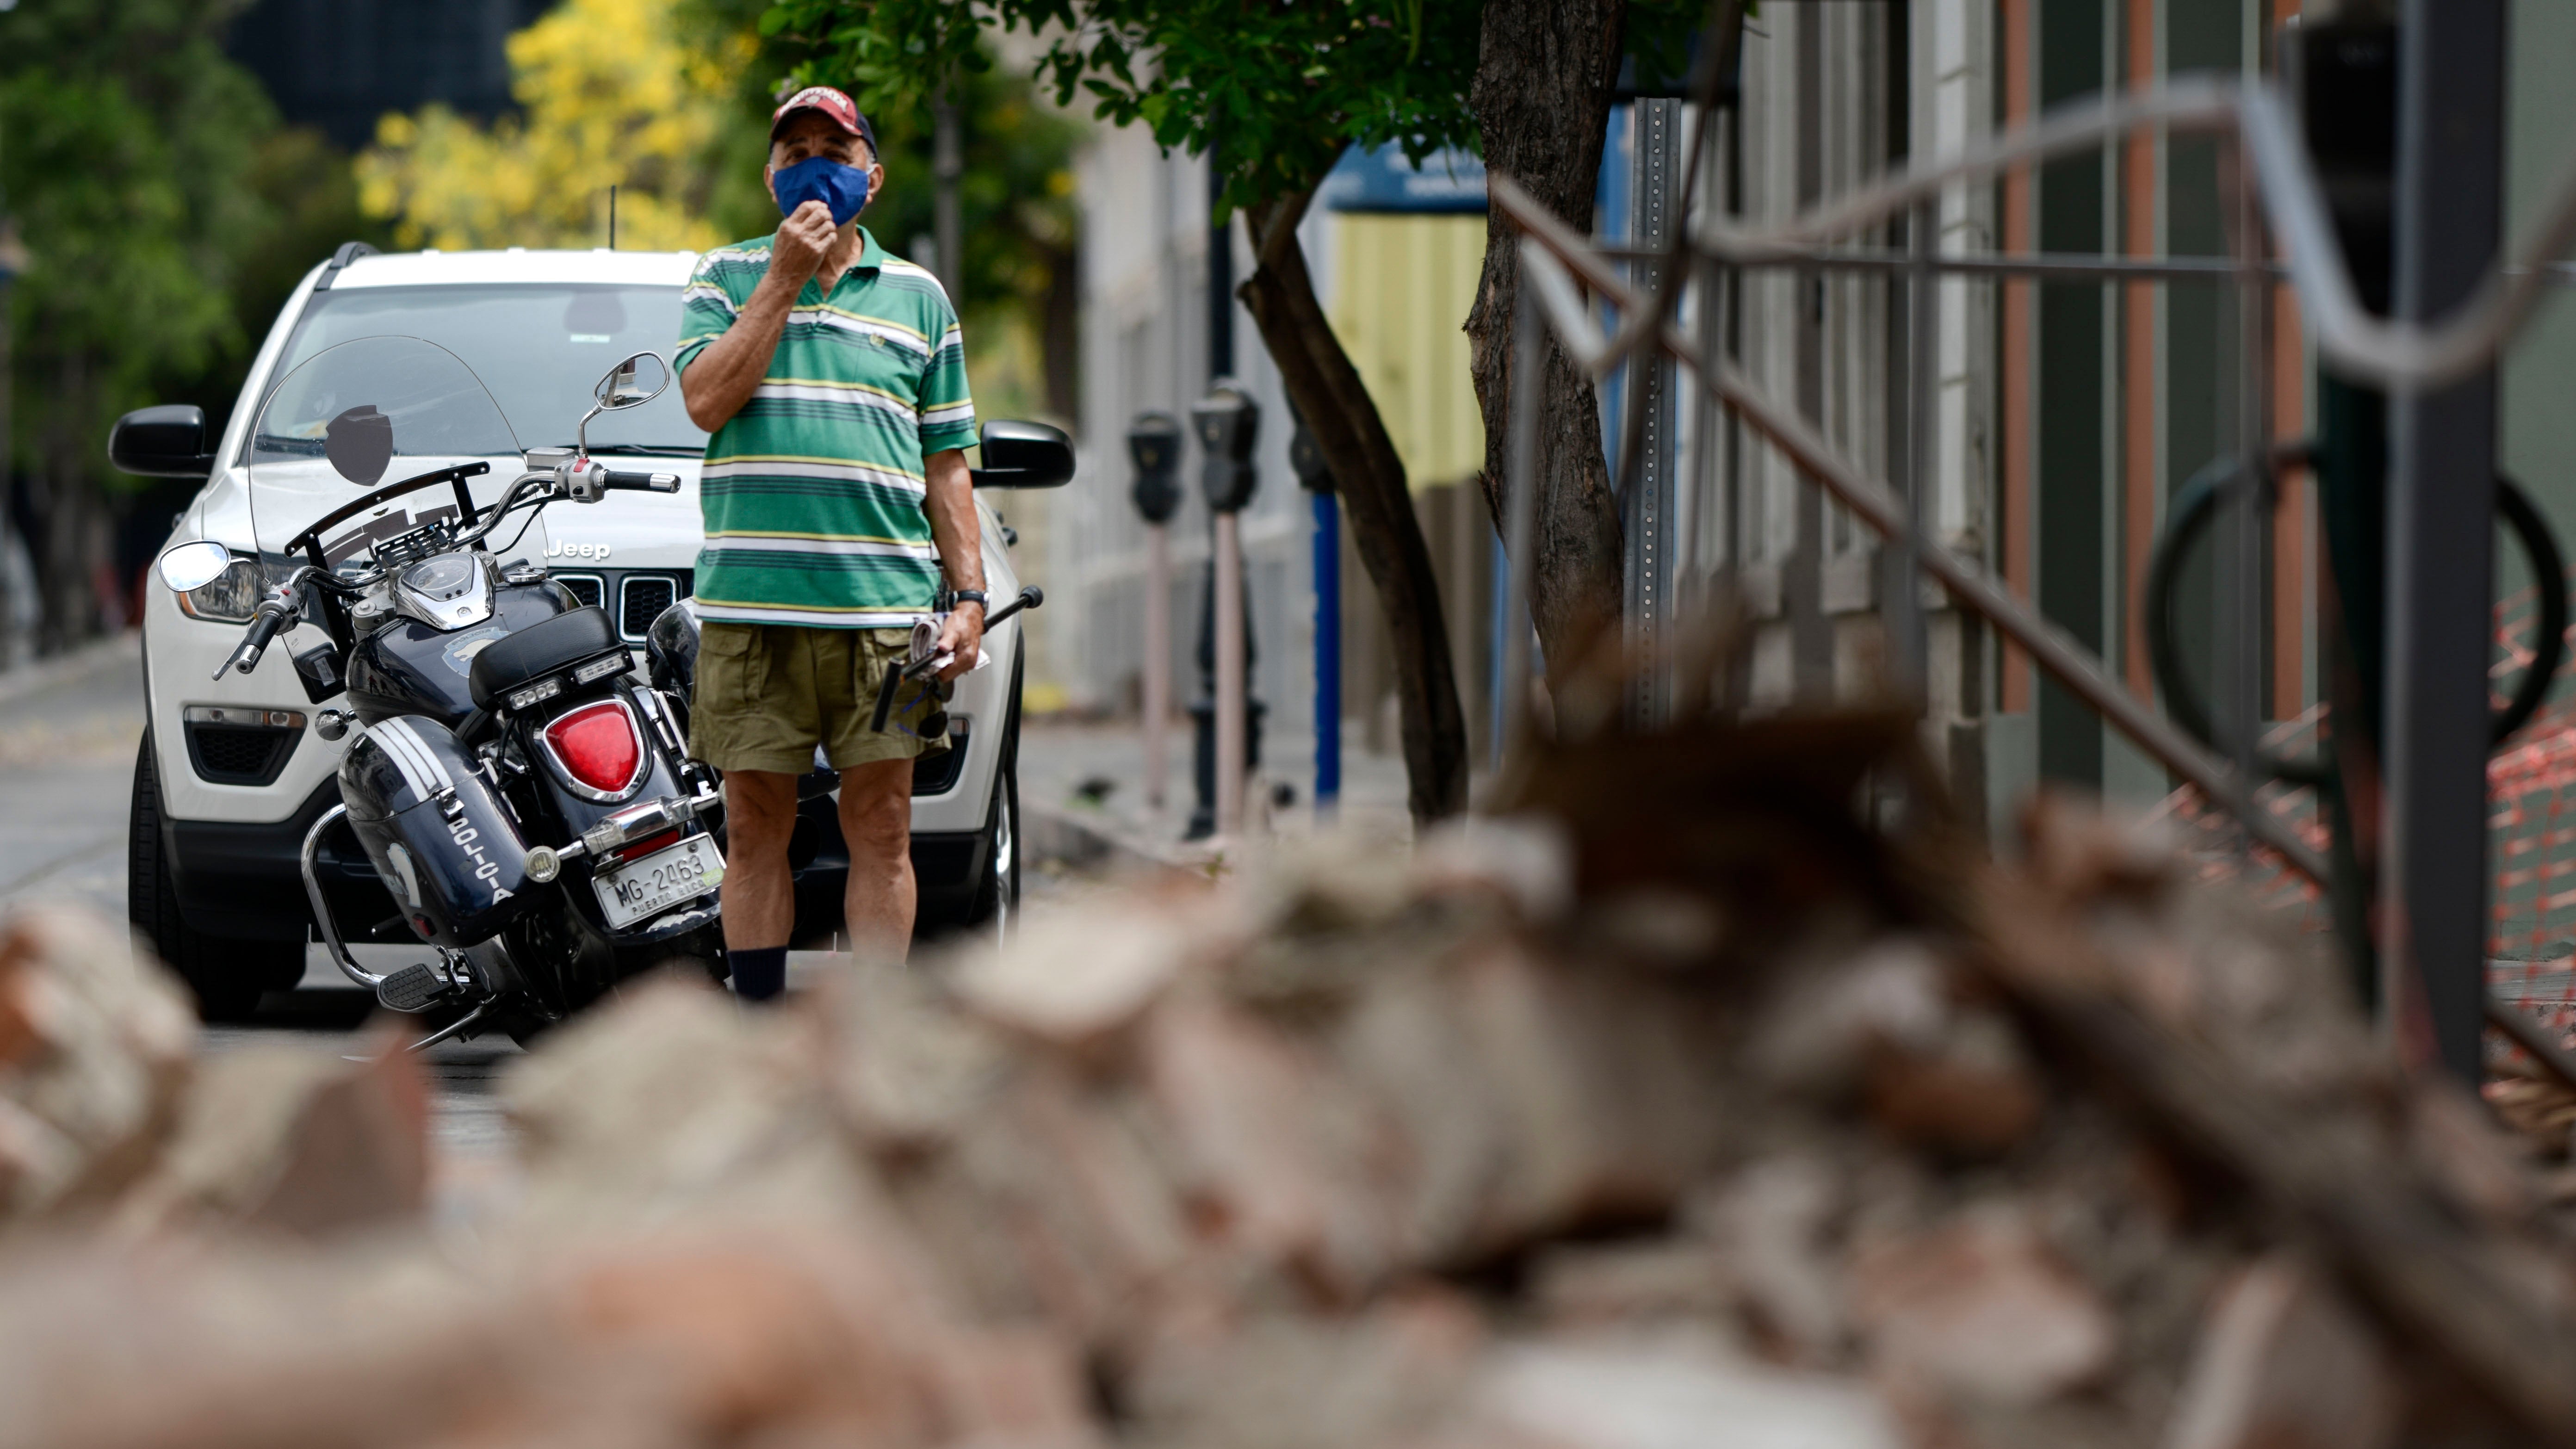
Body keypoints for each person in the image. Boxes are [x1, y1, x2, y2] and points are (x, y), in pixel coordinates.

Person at [675, 84, 984, 1000]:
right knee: (754, 822)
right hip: (751, 618)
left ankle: (873, 1031)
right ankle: (761, 1026)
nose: (815, 167)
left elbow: (948, 470)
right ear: (772, 178)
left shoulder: (920, 301)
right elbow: (704, 401)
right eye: (795, 152)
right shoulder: (723, 278)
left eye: (835, 152)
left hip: (884, 624)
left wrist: (967, 602)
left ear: (873, 178)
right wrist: (779, 276)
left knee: (883, 824)